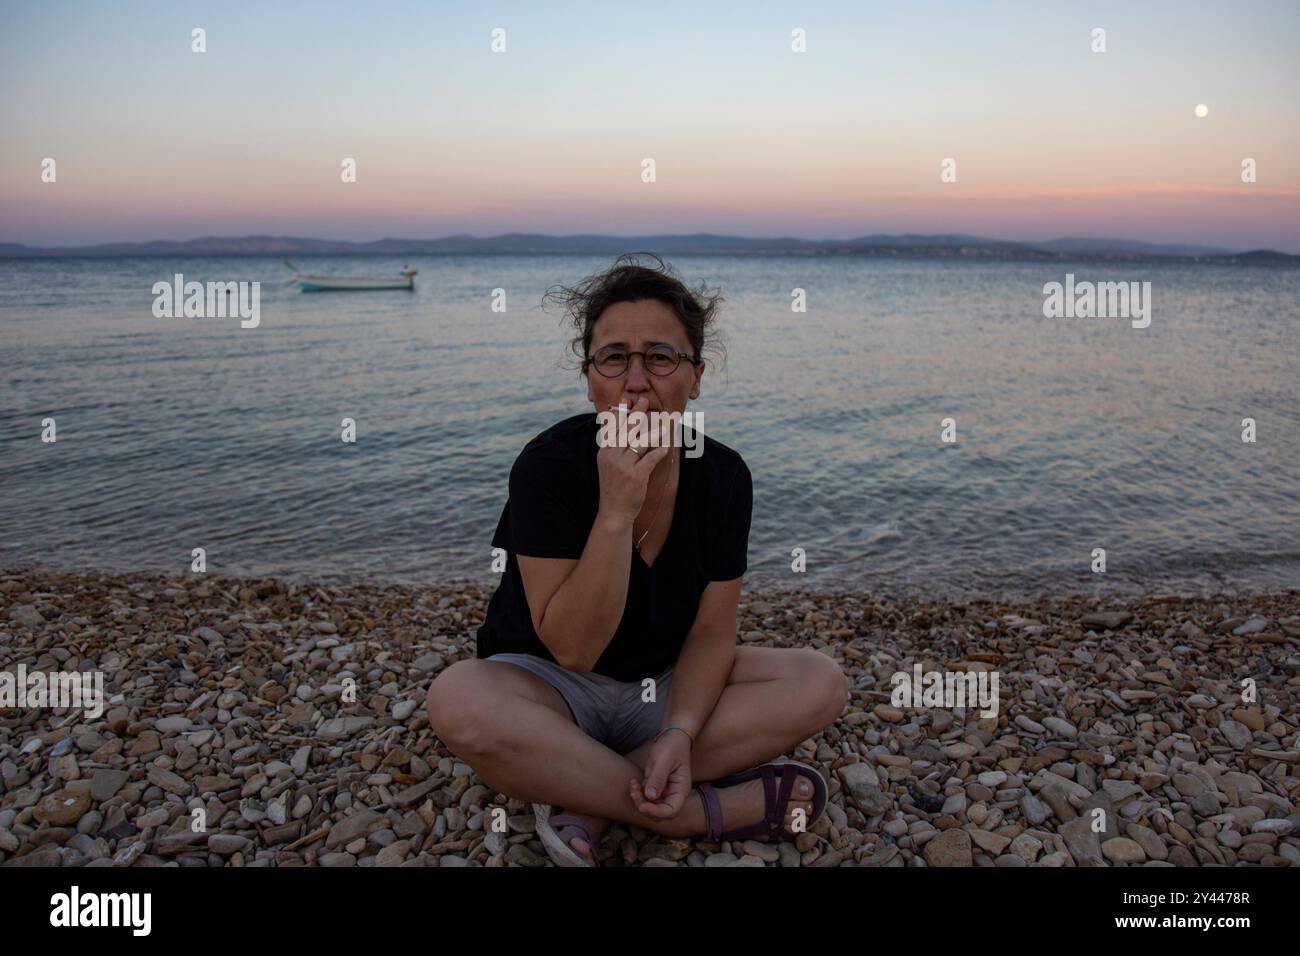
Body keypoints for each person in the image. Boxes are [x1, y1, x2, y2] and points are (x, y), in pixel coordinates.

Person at [426, 253, 847, 866]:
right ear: (589, 374)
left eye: (660, 357)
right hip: (550, 688)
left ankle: (585, 793)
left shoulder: (724, 475)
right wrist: (616, 510)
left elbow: (712, 632)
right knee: (459, 700)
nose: (636, 380)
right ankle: (703, 812)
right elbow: (573, 649)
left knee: (819, 682)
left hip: (664, 688)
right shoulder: (547, 467)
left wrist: (678, 730)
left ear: (696, 377)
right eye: (614, 357)